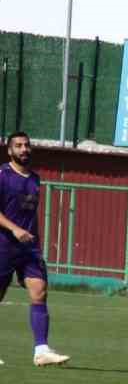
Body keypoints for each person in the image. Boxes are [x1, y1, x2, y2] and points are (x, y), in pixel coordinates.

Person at [0, 131, 69, 366]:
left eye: (27, 145)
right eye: (18, 146)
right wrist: (15, 229)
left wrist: (31, 236)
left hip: (29, 248)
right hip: (4, 245)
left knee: (39, 291)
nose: (24, 149)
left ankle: (41, 350)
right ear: (10, 151)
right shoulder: (2, 175)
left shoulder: (35, 179)